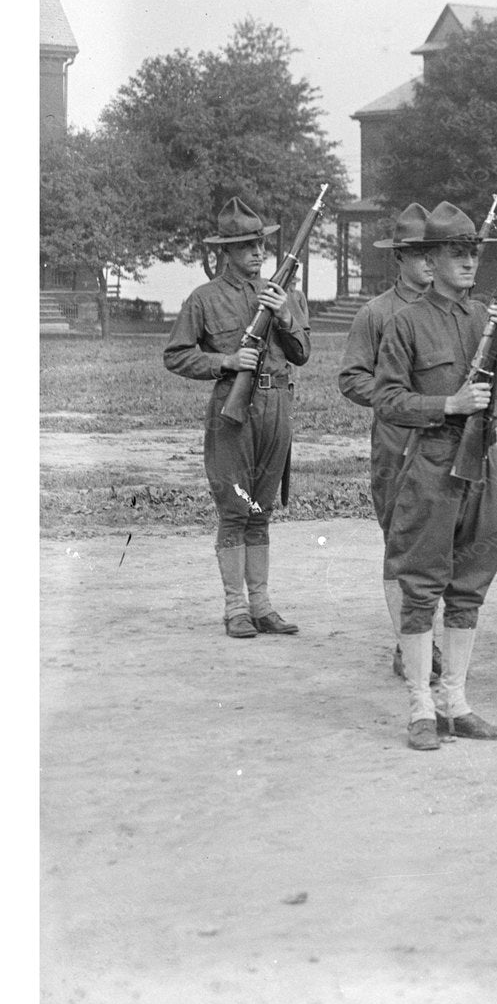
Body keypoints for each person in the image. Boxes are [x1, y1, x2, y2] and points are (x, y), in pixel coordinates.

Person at [372, 203, 497, 750]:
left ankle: (455, 703)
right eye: (456, 252)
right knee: (420, 588)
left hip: (484, 464)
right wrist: (448, 404)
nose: (467, 261)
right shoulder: (405, 321)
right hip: (432, 463)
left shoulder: (485, 316)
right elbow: (387, 399)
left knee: (469, 586)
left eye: (473, 252)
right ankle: (420, 708)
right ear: (430, 259)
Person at [162, 197, 312, 639]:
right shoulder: (203, 300)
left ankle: (262, 605)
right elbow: (176, 355)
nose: (257, 252)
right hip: (233, 412)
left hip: (277, 409)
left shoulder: (285, 295)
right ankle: (235, 608)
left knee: (261, 509)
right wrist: (225, 361)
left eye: (260, 243)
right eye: (246, 245)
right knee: (235, 510)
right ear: (224, 252)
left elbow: (301, 354)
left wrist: (284, 313)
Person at [336, 203, 437, 678]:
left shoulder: (450, 310)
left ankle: (429, 640)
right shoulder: (375, 314)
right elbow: (352, 377)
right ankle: (406, 642)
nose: (429, 262)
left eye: (435, 252)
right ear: (399, 257)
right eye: (419, 253)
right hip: (397, 445)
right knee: (400, 544)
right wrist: (402, 401)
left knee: (442, 543)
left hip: (447, 444)